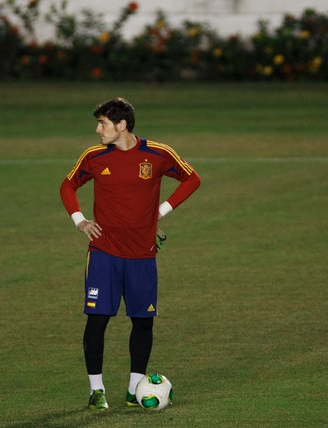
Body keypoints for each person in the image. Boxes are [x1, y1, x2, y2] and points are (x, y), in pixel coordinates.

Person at [59, 97, 201, 410]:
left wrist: (161, 211)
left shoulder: (158, 154)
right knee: (97, 320)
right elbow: (67, 187)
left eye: (103, 124)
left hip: (142, 255)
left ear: (121, 125)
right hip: (103, 254)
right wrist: (80, 221)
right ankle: (96, 391)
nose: (98, 129)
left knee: (143, 321)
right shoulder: (94, 157)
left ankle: (134, 389)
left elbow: (192, 178)